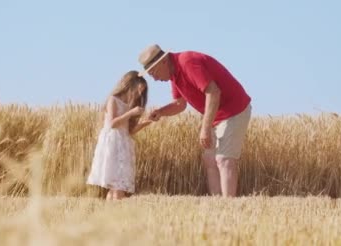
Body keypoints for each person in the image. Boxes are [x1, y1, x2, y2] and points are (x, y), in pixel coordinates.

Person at [138, 44, 251, 197]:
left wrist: (205, 129)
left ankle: (228, 204)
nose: (155, 79)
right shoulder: (174, 74)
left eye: (153, 73)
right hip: (216, 114)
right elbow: (180, 104)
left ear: (162, 62)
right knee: (209, 159)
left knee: (224, 159)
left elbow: (213, 92)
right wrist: (161, 112)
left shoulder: (187, 62)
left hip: (233, 109)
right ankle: (217, 202)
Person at [86, 70, 153, 200]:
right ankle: (117, 215)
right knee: (118, 185)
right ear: (130, 85)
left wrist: (147, 121)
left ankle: (110, 214)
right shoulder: (113, 100)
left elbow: (129, 131)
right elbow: (112, 123)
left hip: (123, 143)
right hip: (112, 144)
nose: (140, 94)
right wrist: (131, 113)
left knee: (117, 186)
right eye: (139, 89)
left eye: (142, 91)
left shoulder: (129, 106)